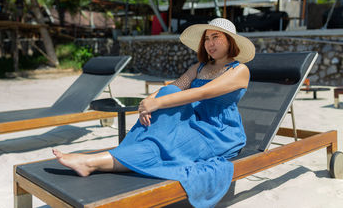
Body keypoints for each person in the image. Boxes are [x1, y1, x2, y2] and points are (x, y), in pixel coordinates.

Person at [52, 18, 256, 208]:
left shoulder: (239, 70)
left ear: (230, 41)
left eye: (216, 37)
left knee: (159, 145)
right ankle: (114, 156)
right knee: (169, 95)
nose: (210, 44)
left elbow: (201, 92)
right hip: (193, 122)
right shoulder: (200, 67)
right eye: (207, 39)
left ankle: (91, 162)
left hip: (217, 133)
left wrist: (157, 104)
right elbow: (176, 86)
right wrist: (149, 100)